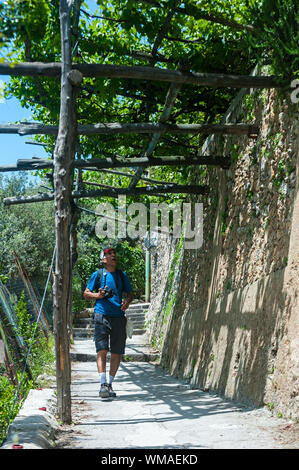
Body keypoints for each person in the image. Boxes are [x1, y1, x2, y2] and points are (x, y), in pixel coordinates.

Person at [83, 247, 134, 399]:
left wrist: (127, 302)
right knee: (102, 349)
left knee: (117, 351)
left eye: (114, 254)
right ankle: (102, 383)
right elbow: (86, 294)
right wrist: (98, 295)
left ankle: (110, 384)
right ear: (103, 259)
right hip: (101, 315)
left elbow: (130, 293)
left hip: (119, 316)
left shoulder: (121, 275)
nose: (113, 256)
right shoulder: (97, 275)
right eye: (109, 254)